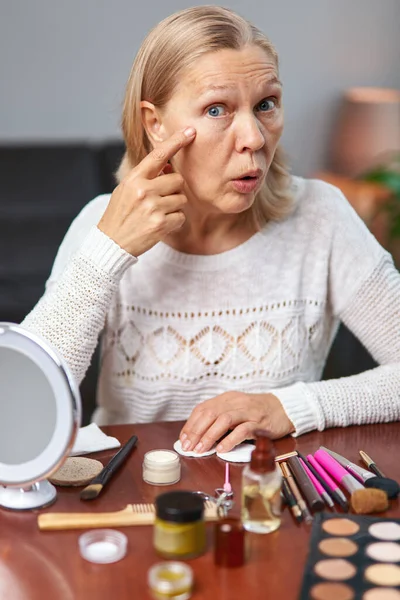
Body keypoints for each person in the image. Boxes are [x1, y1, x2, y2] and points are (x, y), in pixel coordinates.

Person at [21, 6, 400, 455]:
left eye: (266, 104)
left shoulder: (321, 216)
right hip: (133, 497)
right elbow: (25, 408)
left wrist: (289, 407)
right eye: (217, 109)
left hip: (269, 500)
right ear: (155, 123)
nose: (255, 138)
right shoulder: (99, 225)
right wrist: (108, 251)